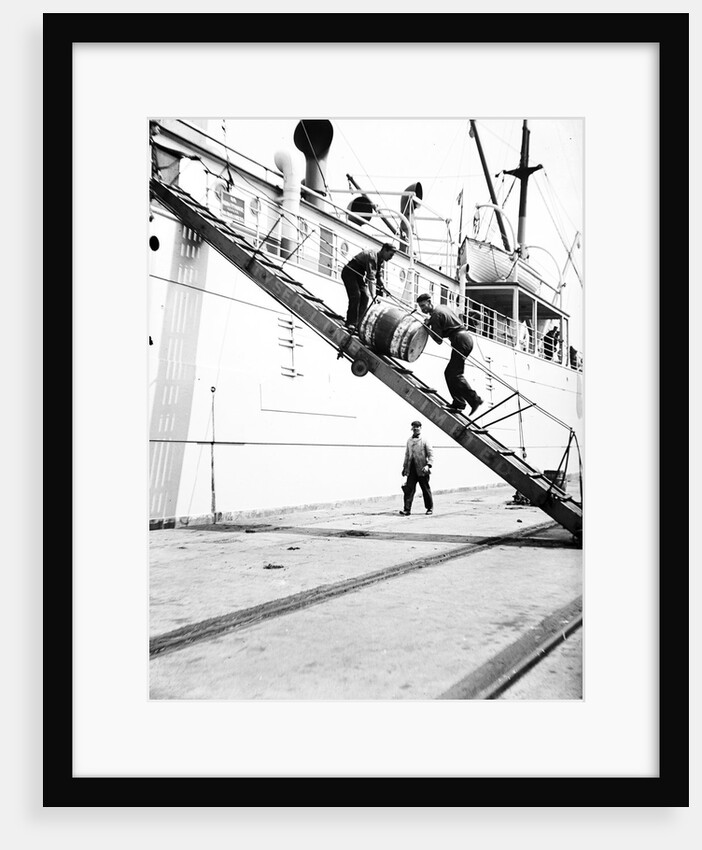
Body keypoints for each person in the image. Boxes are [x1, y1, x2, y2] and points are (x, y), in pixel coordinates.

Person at [416, 293, 483, 416]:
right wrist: (431, 322)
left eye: (424, 305)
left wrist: (427, 328)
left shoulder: (435, 316)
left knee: (455, 374)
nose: (422, 309)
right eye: (420, 307)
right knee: (450, 373)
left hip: (459, 340)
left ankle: (473, 400)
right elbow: (447, 322)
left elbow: (438, 340)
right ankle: (460, 402)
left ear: (429, 302)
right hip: (465, 338)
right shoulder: (442, 307)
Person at [340, 243, 396, 333]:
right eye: (390, 255)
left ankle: (358, 324)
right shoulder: (372, 257)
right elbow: (371, 278)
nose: (391, 258)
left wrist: (385, 288)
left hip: (358, 275)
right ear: (385, 250)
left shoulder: (380, 259)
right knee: (356, 295)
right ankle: (351, 322)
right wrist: (373, 296)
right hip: (350, 272)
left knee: (365, 297)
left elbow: (378, 276)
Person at [400, 420, 434, 515]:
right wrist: (404, 467)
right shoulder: (409, 441)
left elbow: (431, 454)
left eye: (417, 427)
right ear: (412, 428)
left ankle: (429, 508)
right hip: (411, 469)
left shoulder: (425, 440)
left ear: (420, 428)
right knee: (409, 490)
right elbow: (407, 455)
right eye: (414, 427)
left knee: (425, 489)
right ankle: (407, 509)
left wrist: (428, 465)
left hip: (422, 469)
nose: (415, 428)